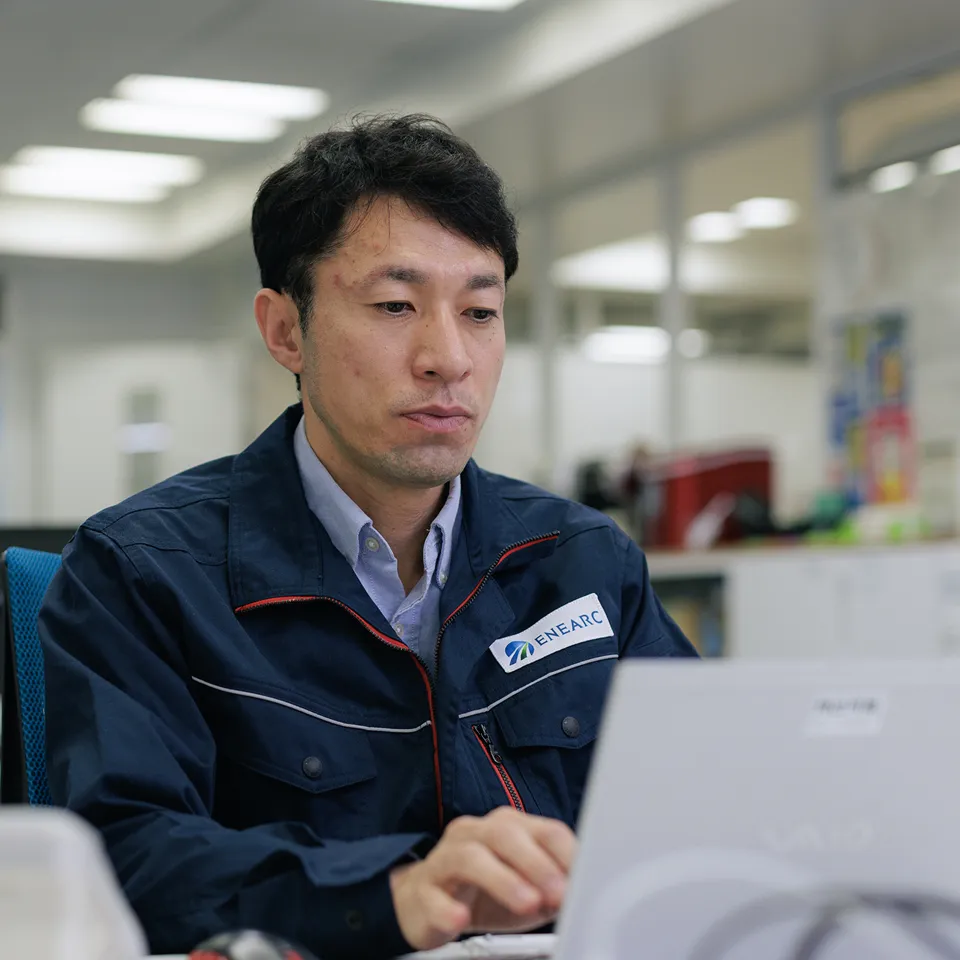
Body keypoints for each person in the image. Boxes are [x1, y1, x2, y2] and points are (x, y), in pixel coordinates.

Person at [40, 115, 697, 960]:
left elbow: (709, 805)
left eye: (481, 311)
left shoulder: (583, 561)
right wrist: (396, 893)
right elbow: (124, 857)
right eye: (395, 305)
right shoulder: (142, 573)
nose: (448, 357)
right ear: (286, 330)